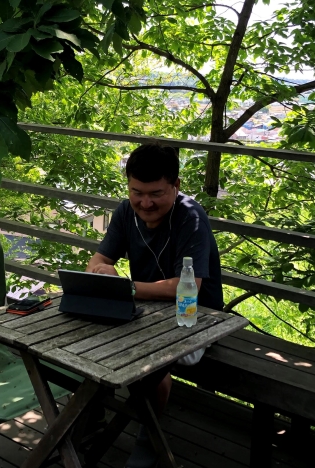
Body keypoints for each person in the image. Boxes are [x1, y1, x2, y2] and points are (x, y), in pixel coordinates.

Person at [86, 142, 223, 468]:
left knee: (152, 369)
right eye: (137, 192)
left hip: (195, 316)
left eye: (156, 194)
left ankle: (149, 443)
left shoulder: (190, 217)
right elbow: (98, 261)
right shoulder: (125, 212)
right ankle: (89, 421)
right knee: (85, 340)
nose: (145, 203)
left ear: (176, 186)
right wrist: (102, 272)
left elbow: (186, 287)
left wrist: (128, 288)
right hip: (145, 309)